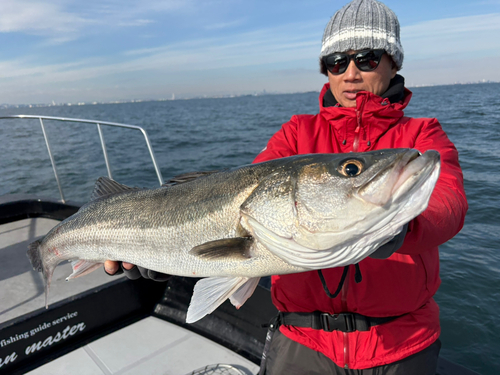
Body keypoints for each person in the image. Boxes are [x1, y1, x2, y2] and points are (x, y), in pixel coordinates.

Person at [106, 0, 468, 373]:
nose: (351, 74)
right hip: (302, 340)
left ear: (394, 62)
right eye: (336, 62)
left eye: (368, 58)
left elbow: (448, 205)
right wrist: (169, 257)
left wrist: (396, 227)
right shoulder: (297, 132)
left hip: (402, 342)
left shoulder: (420, 136)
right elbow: (245, 200)